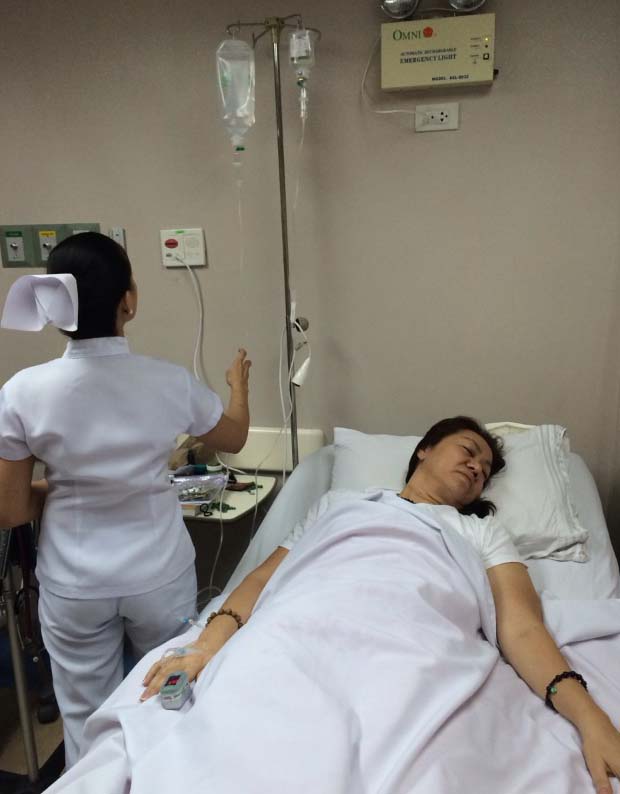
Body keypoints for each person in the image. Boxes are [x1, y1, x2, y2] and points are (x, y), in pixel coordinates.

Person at [141, 416, 620, 794]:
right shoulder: (339, 504)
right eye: (469, 451)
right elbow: (264, 580)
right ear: (424, 450)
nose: (478, 468)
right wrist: (206, 645)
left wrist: (589, 718)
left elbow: (521, 626)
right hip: (300, 627)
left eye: (486, 470)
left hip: (417, 641)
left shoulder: (481, 530)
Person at [0, 231, 251, 768]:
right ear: (128, 302)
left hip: (74, 583)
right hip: (158, 574)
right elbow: (233, 438)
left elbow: (11, 510)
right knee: (167, 701)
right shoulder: (168, 381)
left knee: (86, 720)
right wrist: (239, 387)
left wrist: (63, 490)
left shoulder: (22, 391)